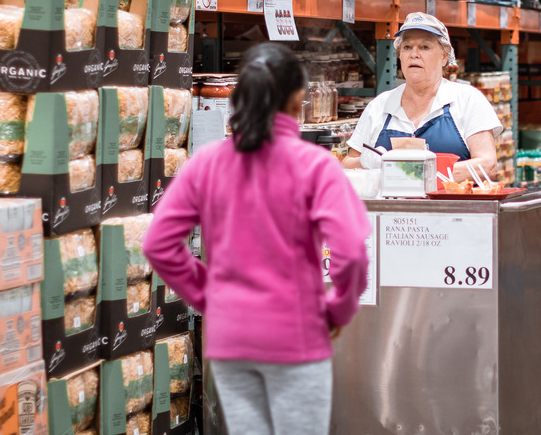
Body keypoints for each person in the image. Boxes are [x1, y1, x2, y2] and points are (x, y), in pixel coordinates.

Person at [143, 43, 371, 435]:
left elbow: (158, 243)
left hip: (230, 337)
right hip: (297, 334)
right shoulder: (316, 166)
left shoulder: (207, 163)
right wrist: (336, 310)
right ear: (299, 101)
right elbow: (350, 252)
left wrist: (209, 295)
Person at [341, 13, 503, 182]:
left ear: (443, 56)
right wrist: (369, 162)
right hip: (390, 208)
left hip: (451, 208)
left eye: (425, 47)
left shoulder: (467, 100)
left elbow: (487, 165)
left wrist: (413, 173)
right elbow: (347, 165)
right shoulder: (381, 105)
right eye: (407, 47)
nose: (414, 54)